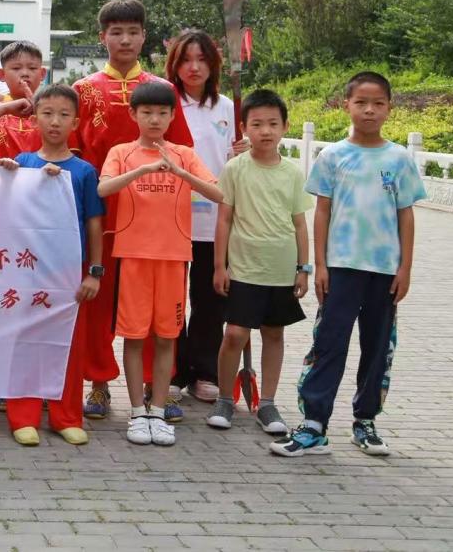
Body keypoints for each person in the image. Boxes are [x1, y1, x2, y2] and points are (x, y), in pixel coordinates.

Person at [273, 72, 427, 458]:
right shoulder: (333, 156)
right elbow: (322, 212)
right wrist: (319, 265)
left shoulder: (399, 158)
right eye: (361, 102)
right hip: (340, 269)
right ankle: (314, 425)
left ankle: (365, 421)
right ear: (347, 106)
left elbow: (406, 215)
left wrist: (405, 268)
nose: (369, 110)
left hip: (384, 271)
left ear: (390, 108)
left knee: (377, 346)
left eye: (378, 103)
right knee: (329, 343)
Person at [72, 0, 193, 421]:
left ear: (144, 36)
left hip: (154, 221)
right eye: (116, 32)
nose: (125, 40)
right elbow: (74, 151)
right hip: (101, 214)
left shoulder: (162, 91)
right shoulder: (84, 89)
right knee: (99, 302)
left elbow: (183, 151)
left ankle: (156, 388)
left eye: (133, 32)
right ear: (102, 36)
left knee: (158, 306)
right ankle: (99, 382)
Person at [97, 82, 221, 448]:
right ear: (133, 114)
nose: (154, 119)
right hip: (133, 257)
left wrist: (181, 174)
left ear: (172, 117)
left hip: (173, 258)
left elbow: (218, 193)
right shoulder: (122, 152)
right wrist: (142, 171)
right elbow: (104, 189)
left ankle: (158, 409)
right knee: (135, 336)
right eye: (147, 113)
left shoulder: (184, 154)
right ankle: (137, 411)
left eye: (162, 113)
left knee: (167, 336)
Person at [0, 84, 105, 446]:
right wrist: (5, 178)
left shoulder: (84, 171)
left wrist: (94, 272)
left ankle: (65, 416)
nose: (55, 122)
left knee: (68, 345)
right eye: (47, 113)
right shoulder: (22, 163)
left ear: (76, 122)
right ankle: (22, 415)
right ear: (34, 119)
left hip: (68, 273)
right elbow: (4, 211)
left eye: (63, 115)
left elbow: (94, 223)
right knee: (26, 342)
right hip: (28, 271)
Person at [209, 89, 313, 435]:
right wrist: (220, 266)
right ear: (243, 128)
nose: (265, 131)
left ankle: (267, 403)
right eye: (256, 124)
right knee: (235, 334)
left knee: (273, 333)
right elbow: (224, 219)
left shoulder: (293, 173)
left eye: (272, 123)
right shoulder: (234, 169)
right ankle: (225, 398)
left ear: (285, 127)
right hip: (243, 267)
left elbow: (300, 224)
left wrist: (303, 268)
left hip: (280, 269)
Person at [166, 29, 245, 404]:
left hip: (215, 219)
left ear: (213, 64)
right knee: (170, 300)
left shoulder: (228, 108)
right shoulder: (166, 103)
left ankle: (205, 371)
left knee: (211, 298)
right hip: (170, 216)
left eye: (201, 59)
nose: (193, 67)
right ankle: (172, 371)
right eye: (185, 60)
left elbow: (235, 164)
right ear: (174, 65)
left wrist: (243, 151)